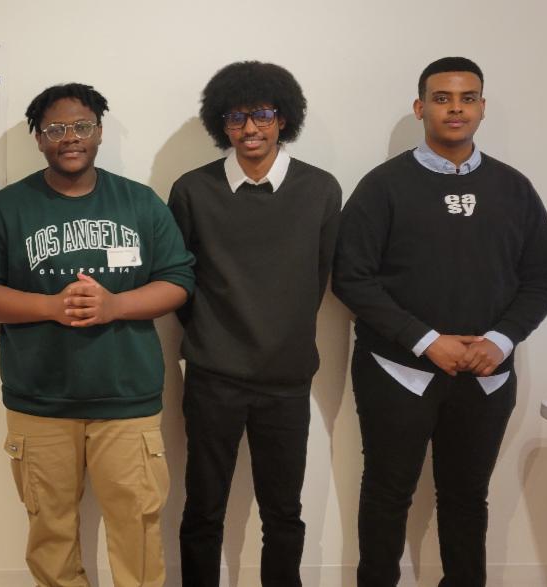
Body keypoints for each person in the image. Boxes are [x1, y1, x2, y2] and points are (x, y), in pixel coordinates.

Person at [333, 56, 547, 587]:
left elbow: (543, 275)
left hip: (486, 376)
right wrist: (426, 340)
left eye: (466, 98)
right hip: (397, 372)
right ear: (420, 108)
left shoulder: (514, 188)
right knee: (388, 494)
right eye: (441, 98)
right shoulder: (383, 186)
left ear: (481, 107)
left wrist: (501, 341)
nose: (454, 108)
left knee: (466, 497)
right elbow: (352, 277)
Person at [0, 82, 194, 587]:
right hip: (39, 401)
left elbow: (179, 280)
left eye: (81, 126)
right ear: (39, 139)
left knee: (139, 532)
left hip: (128, 401)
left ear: (100, 132)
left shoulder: (140, 202)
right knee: (51, 535)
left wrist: (115, 306)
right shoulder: (8, 209)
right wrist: (49, 306)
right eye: (56, 129)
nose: (70, 138)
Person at [169, 61, 341, 587]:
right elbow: (180, 281)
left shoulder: (320, 189)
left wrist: (279, 330)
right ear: (220, 123)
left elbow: (318, 277)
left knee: (283, 513)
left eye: (263, 114)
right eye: (236, 116)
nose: (250, 129)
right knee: (203, 509)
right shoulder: (192, 191)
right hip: (212, 376)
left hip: (286, 379)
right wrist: (216, 337)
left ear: (283, 118)